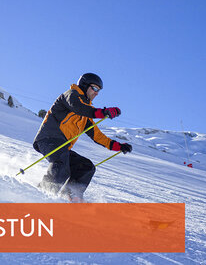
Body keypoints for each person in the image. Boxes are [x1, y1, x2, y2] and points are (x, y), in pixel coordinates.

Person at [33, 73, 132, 202]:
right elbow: (77, 107)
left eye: (99, 91)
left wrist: (117, 146)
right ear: (85, 85)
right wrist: (102, 112)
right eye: (94, 88)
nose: (96, 93)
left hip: (62, 147)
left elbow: (97, 135)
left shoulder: (86, 114)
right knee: (62, 164)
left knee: (86, 167)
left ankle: (70, 195)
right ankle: (42, 194)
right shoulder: (70, 95)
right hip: (48, 139)